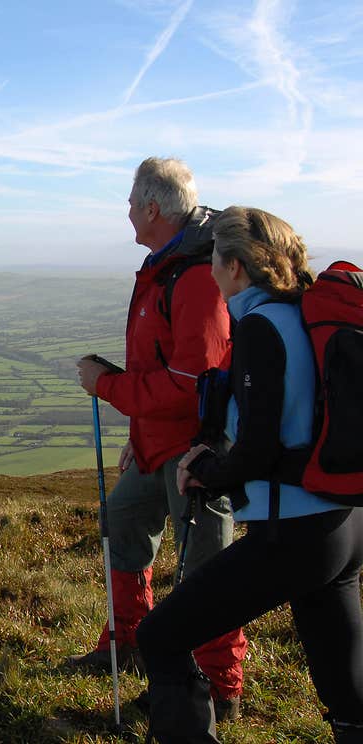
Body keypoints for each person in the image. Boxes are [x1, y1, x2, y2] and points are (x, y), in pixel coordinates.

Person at [137, 207, 363, 743]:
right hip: (346, 525)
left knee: (162, 636)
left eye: (213, 258)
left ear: (234, 266)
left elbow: (259, 450)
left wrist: (205, 472)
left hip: (294, 532)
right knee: (343, 681)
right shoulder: (304, 316)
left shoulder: (261, 327)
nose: (208, 269)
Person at [72, 157, 246, 716]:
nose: (125, 211)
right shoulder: (164, 268)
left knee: (205, 565)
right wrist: (139, 428)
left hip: (198, 451)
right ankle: (127, 643)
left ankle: (219, 687)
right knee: (122, 517)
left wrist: (107, 387)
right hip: (158, 445)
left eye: (130, 202)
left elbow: (189, 385)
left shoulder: (195, 276)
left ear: (152, 208)